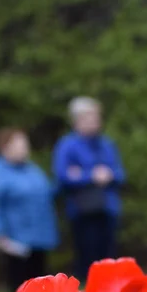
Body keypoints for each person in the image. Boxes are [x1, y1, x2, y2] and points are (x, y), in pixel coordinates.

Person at [53, 97, 125, 281]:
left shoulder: (107, 144)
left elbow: (120, 174)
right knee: (86, 259)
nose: (95, 121)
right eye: (90, 117)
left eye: (97, 116)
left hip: (107, 209)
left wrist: (103, 174)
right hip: (82, 211)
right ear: (77, 119)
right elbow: (63, 177)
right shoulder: (67, 145)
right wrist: (91, 175)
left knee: (108, 260)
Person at [0, 128, 58, 291]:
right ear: (4, 147)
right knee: (19, 286)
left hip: (39, 237)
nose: (23, 148)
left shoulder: (32, 169)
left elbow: (47, 193)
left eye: (24, 144)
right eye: (18, 144)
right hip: (15, 238)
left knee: (40, 285)